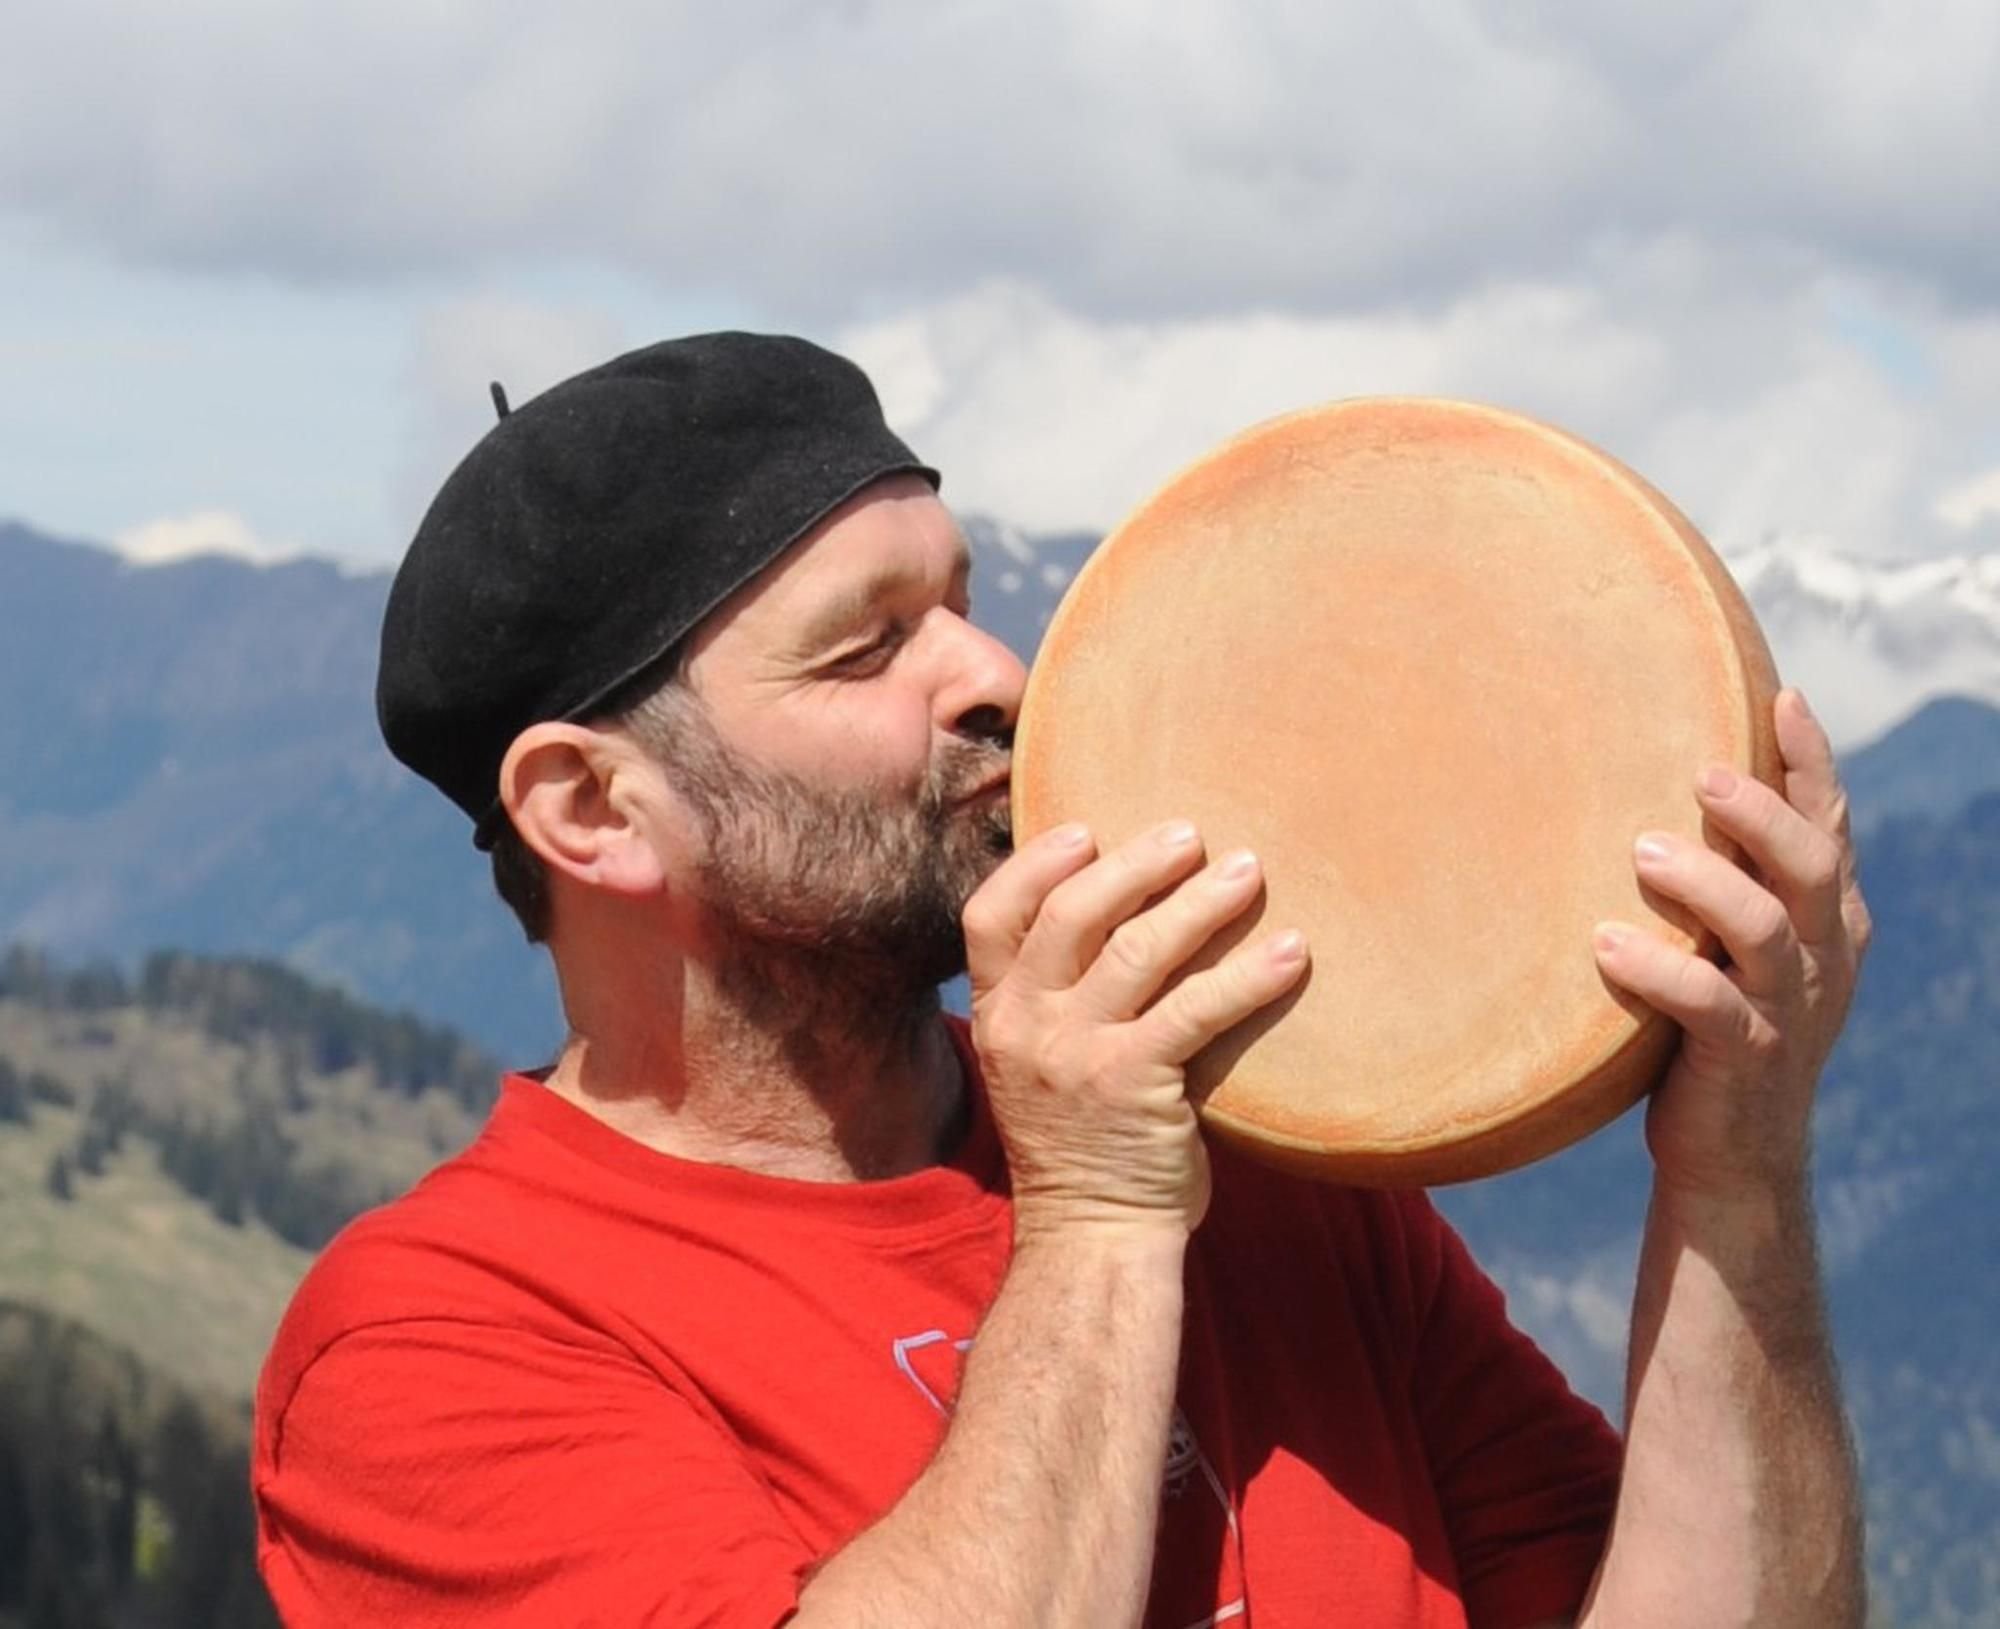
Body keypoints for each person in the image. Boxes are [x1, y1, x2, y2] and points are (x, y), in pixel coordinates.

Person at [252, 333, 1872, 1628]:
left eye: (957, 600)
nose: (995, 677)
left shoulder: (1274, 1164)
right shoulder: (434, 1349)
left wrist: (1735, 1180)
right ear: (591, 809)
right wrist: (1097, 1215)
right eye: (866, 645)